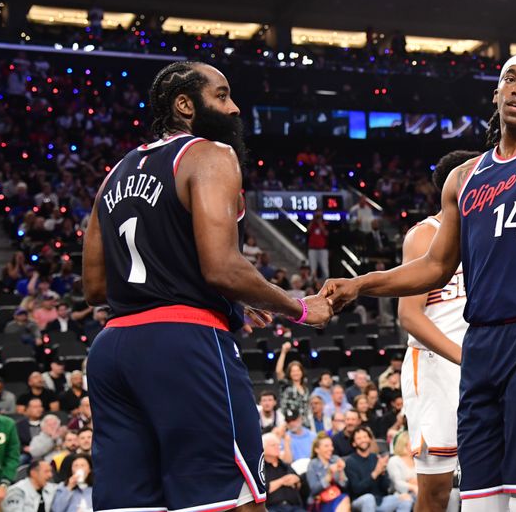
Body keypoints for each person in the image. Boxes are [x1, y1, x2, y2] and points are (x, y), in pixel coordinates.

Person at [322, 52, 516, 511]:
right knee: (478, 500)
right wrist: (362, 283)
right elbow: (434, 266)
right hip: (482, 345)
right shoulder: (463, 178)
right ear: (495, 93)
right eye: (510, 79)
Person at [82, 61, 334, 512]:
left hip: (112, 351)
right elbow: (223, 268)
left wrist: (230, 298)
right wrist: (296, 308)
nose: (234, 108)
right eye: (221, 96)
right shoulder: (210, 154)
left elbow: (95, 288)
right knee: (236, 502)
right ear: (185, 105)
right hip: (184, 346)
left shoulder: (113, 174)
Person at [396, 150, 475, 512]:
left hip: (478, 366)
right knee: (437, 490)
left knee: (486, 479)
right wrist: (464, 357)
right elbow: (410, 316)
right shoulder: (424, 236)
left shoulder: (486, 236)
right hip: (435, 368)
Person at [344, 427, 413, 512]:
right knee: (369, 498)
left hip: (380, 500)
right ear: (354, 443)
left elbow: (386, 488)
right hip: (359, 500)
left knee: (406, 499)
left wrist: (383, 473)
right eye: (359, 438)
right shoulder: (350, 462)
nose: (363, 440)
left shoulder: (376, 458)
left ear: (370, 439)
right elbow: (356, 489)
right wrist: (375, 473)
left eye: (365, 437)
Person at [260, 433, 305, 512]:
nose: (278, 447)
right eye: (273, 445)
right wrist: (282, 481)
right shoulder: (261, 469)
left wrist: (296, 479)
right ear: (263, 448)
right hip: (272, 508)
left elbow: (299, 480)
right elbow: (263, 489)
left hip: (294, 507)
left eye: (278, 445)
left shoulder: (285, 465)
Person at [306, 434, 350, 512]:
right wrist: (329, 476)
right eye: (326, 446)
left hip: (337, 497)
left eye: (331, 446)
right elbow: (313, 490)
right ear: (317, 449)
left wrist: (341, 471)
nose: (331, 449)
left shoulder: (336, 459)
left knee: (344, 498)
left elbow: (345, 485)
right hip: (320, 502)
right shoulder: (312, 465)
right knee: (344, 502)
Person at [276, 346, 311, 426]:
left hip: (304, 423)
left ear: (302, 372)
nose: (296, 373)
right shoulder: (286, 385)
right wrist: (283, 352)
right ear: (289, 373)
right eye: (293, 371)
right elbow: (278, 371)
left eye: (298, 370)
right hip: (290, 422)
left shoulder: (306, 389)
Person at [386, 432, 420, 507]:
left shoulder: (418, 460)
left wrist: (415, 482)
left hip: (420, 491)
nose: (418, 444)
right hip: (400, 494)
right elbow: (397, 483)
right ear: (404, 444)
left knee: (451, 494)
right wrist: (413, 486)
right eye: (414, 442)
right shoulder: (394, 460)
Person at [308, 210, 330, 280]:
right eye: (317, 213)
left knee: (324, 267)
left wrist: (320, 223)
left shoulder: (325, 223)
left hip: (322, 249)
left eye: (319, 213)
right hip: (312, 248)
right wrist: (313, 220)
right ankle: (314, 284)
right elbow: (308, 231)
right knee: (313, 268)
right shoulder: (312, 223)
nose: (318, 214)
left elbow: (326, 233)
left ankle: (326, 283)